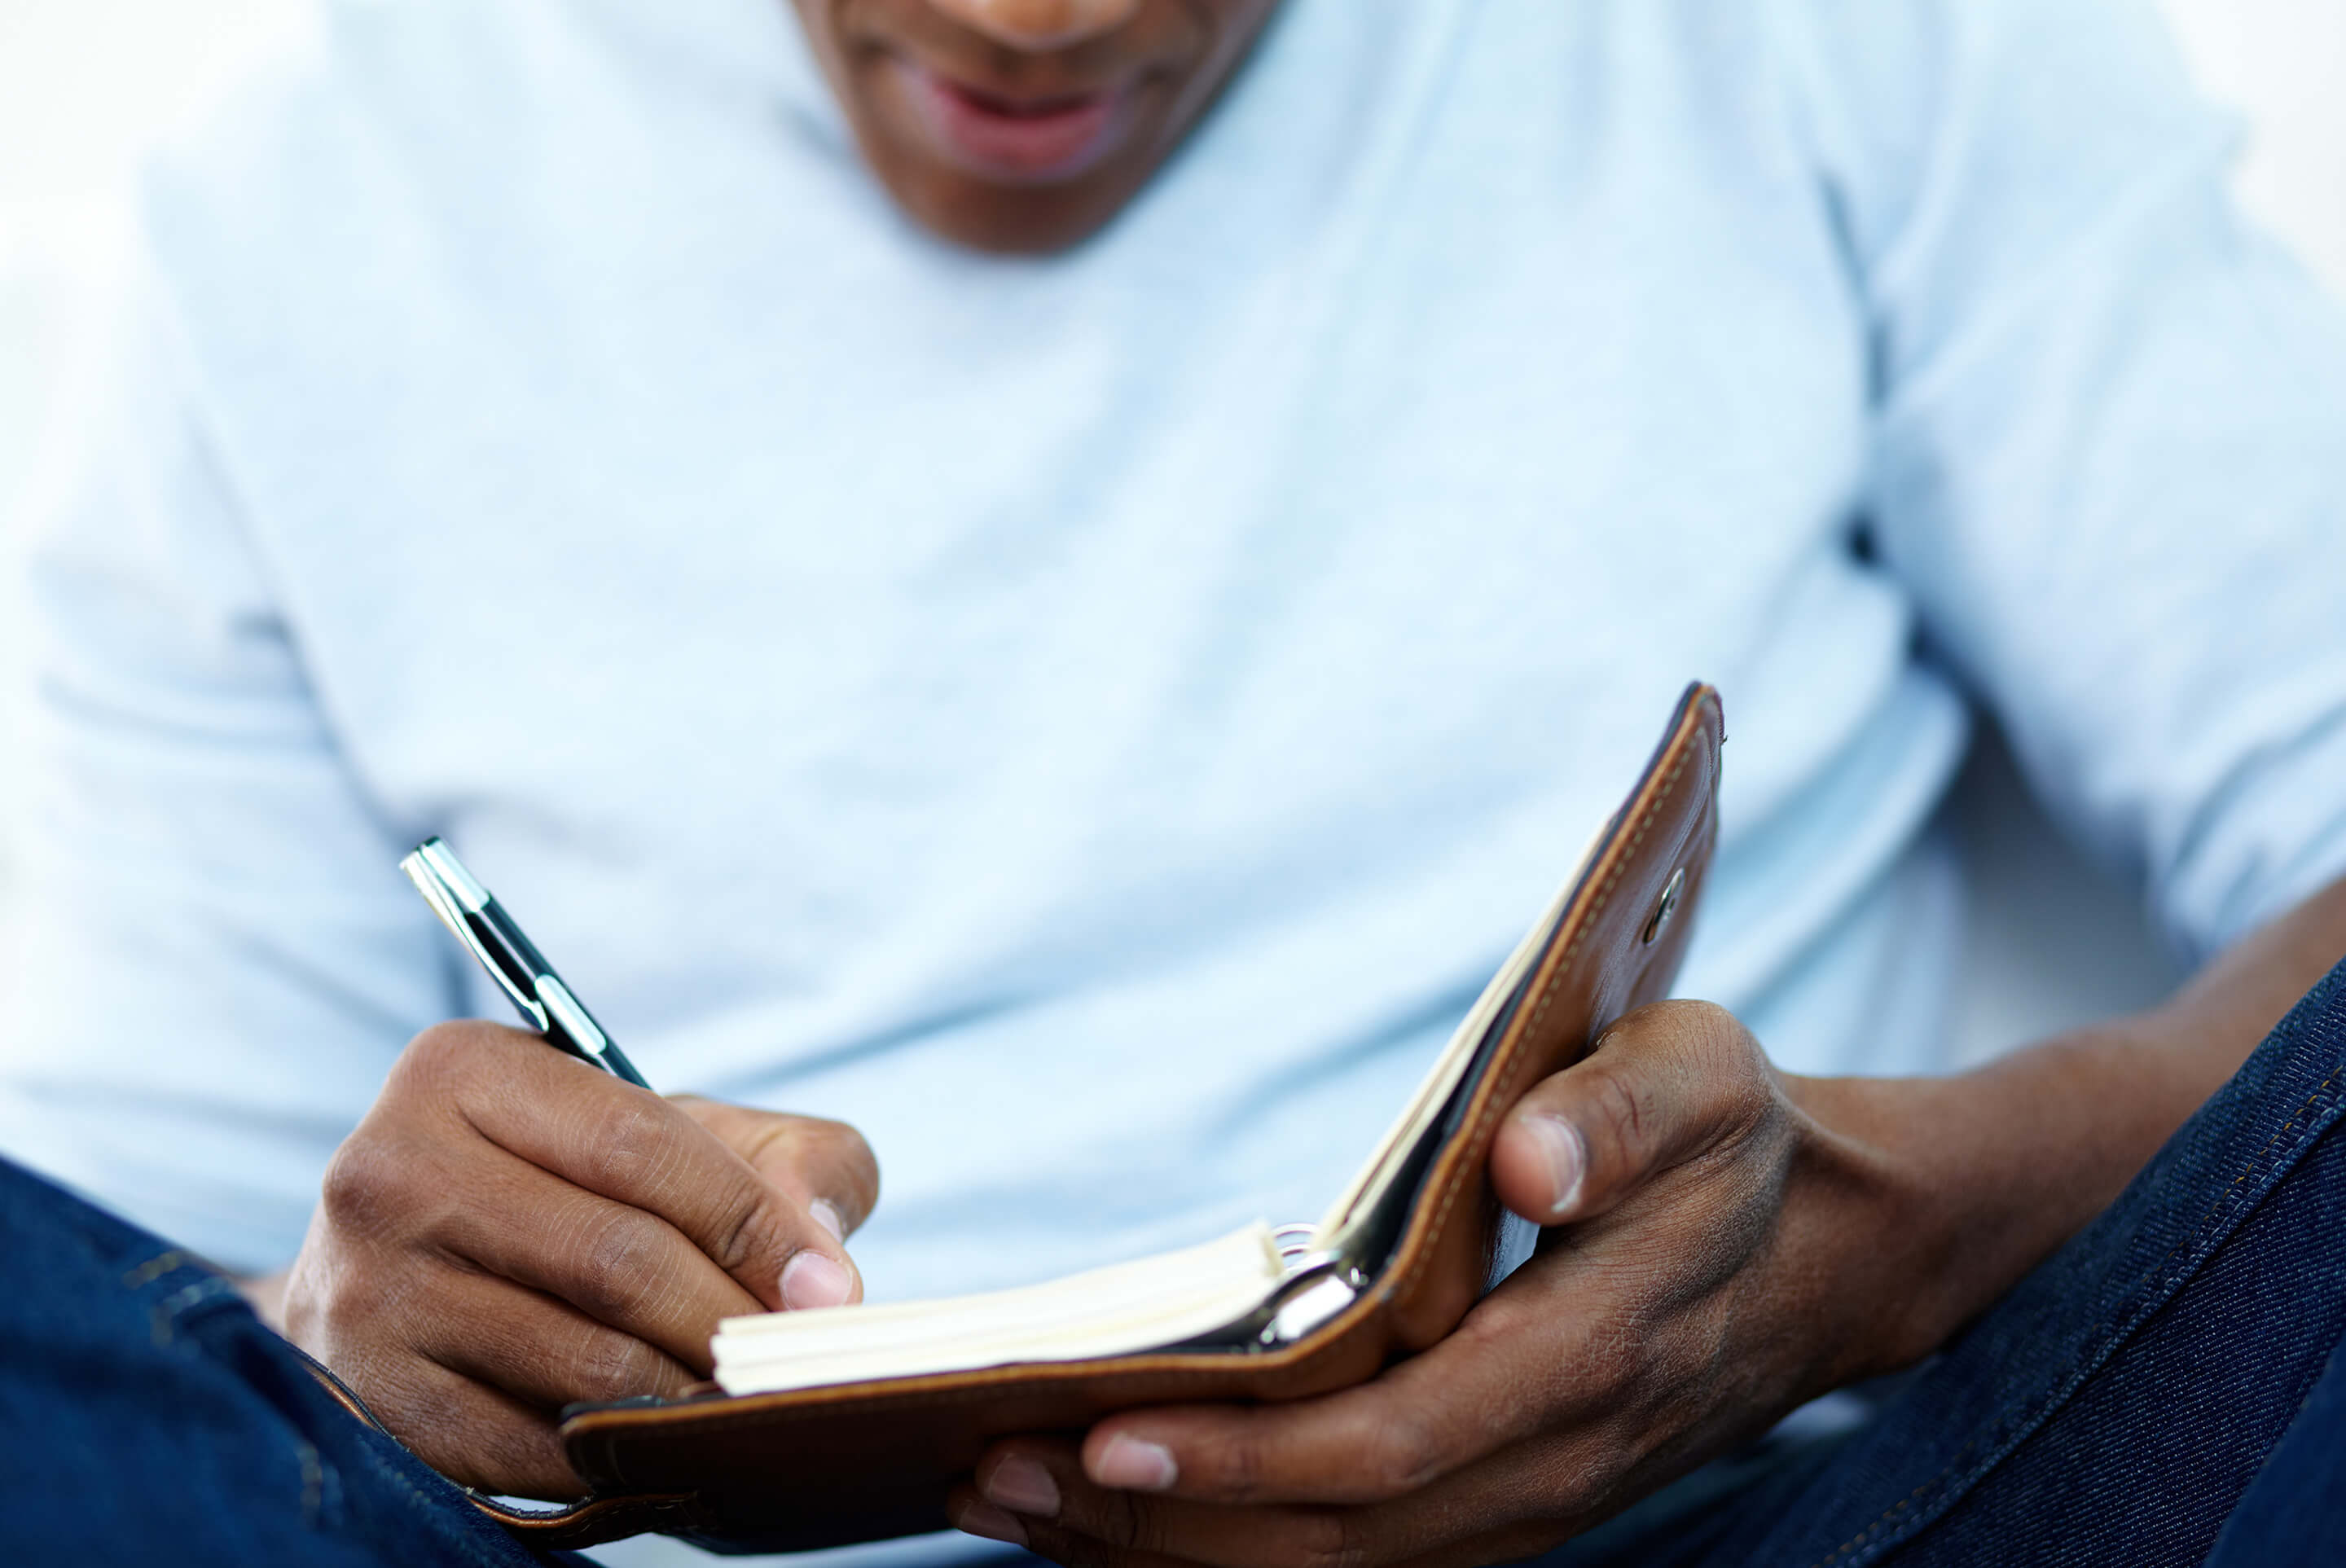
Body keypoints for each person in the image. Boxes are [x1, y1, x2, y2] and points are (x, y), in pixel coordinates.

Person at [2, 0, 2342, 1562]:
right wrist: (325, 1343)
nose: (1041, 20)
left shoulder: (1824, 45)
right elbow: (111, 1344)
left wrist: (1885, 1244)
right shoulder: (279, 227)